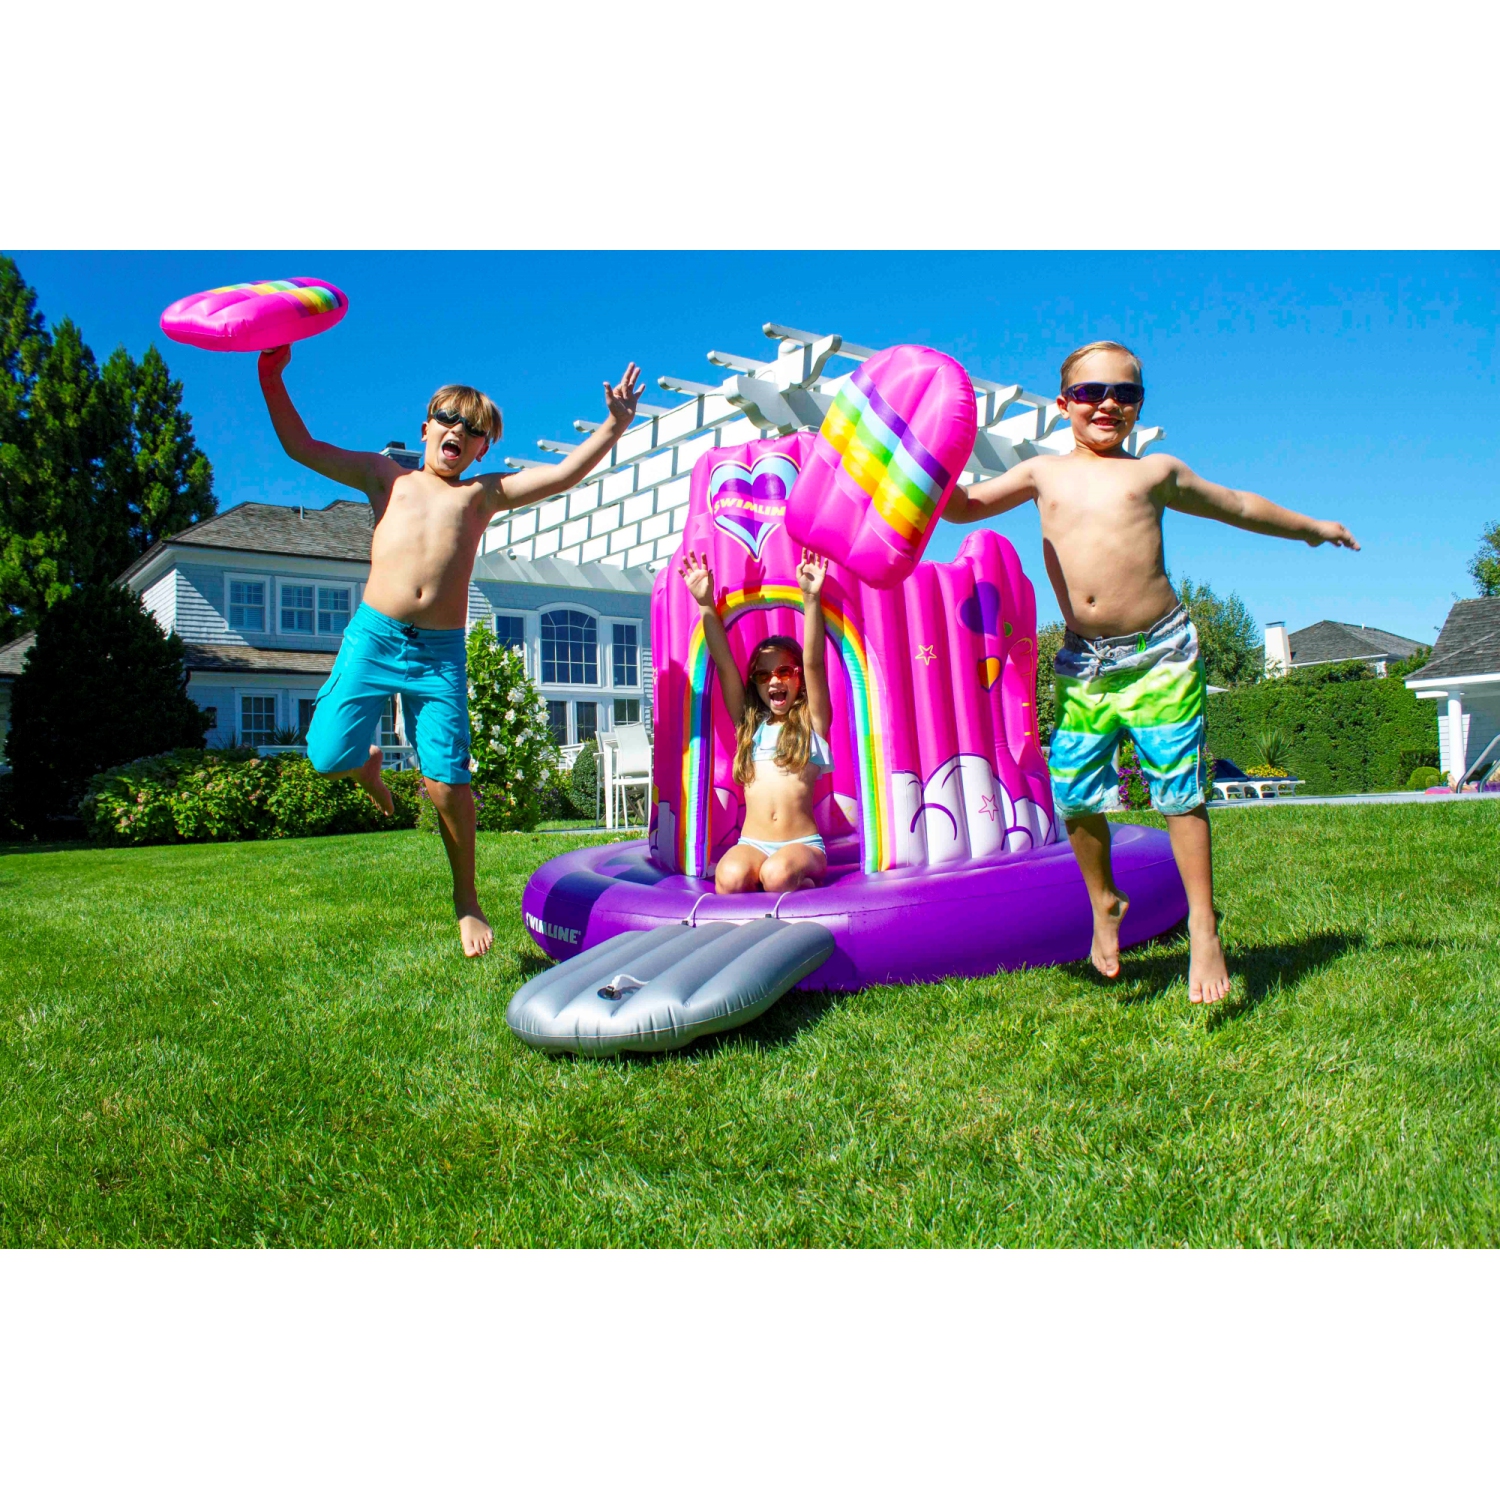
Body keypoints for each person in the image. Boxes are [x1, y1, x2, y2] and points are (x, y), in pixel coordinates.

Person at [943, 340, 1359, 1003]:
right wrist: (915, 466)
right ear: (1062, 405)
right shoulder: (1040, 474)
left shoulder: (1153, 471)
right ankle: (1103, 899)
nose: (1107, 403)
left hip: (1160, 653)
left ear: (1138, 405)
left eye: (1125, 393)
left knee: (1178, 795)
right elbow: (961, 505)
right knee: (1074, 792)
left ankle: (1202, 926)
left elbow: (1239, 505)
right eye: (1090, 392)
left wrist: (1310, 527)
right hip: (1086, 661)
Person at [257, 345, 643, 957]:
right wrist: (271, 377)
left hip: (439, 654)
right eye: (448, 418)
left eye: (474, 427)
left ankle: (466, 899)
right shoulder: (386, 478)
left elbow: (563, 475)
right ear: (425, 427)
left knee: (446, 783)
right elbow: (300, 447)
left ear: (484, 447)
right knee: (328, 755)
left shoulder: (481, 495)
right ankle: (366, 764)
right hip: (375, 635)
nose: (458, 430)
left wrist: (613, 426)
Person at [678, 545, 834, 895]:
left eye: (783, 671)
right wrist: (705, 603)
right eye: (763, 676)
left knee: (777, 876)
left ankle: (803, 882)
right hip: (754, 843)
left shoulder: (813, 725)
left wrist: (811, 599)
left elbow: (814, 663)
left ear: (797, 680)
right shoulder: (750, 726)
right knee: (729, 879)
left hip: (802, 846)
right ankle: (768, 885)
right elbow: (725, 664)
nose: (774, 681)